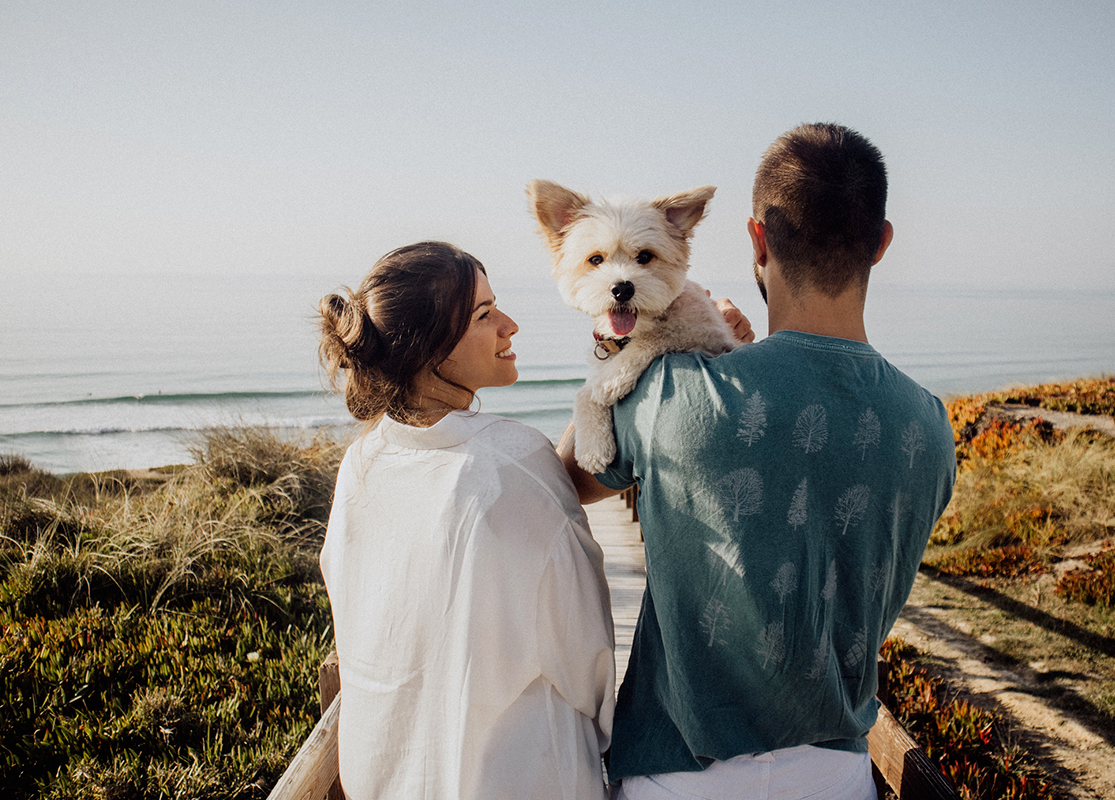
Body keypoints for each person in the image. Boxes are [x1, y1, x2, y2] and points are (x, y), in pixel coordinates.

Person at [560, 123, 957, 799]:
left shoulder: (672, 390)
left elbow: (566, 480)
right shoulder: (932, 424)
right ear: (882, 243)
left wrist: (624, 343)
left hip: (678, 773)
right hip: (838, 775)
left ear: (757, 240)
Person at [318, 241, 616, 800]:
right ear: (429, 348)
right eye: (484, 315)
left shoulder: (361, 465)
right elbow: (589, 659)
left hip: (389, 780)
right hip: (522, 779)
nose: (510, 325)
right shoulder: (514, 462)